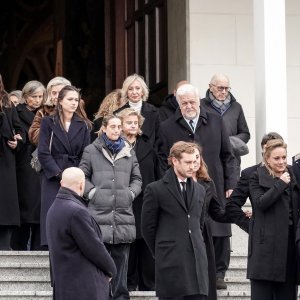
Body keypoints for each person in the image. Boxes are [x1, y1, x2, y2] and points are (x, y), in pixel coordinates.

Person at [157, 83, 236, 289]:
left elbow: (228, 155)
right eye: (184, 103)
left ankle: (218, 273)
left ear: (199, 101)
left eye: (192, 101)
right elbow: (162, 159)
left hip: (213, 183)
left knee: (218, 228)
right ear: (178, 104)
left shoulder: (216, 121)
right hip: (182, 188)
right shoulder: (167, 127)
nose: (189, 106)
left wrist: (231, 183)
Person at [79, 114, 142, 300]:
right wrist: (92, 194)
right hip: (98, 214)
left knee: (121, 262)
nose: (116, 130)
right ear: (104, 128)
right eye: (112, 126)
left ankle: (120, 296)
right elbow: (82, 176)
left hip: (123, 214)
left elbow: (137, 178)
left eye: (118, 127)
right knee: (99, 261)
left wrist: (130, 193)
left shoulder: (129, 151)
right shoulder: (91, 150)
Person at [142, 141, 209, 300]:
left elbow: (199, 223)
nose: (192, 166)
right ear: (174, 161)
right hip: (170, 263)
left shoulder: (200, 190)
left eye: (194, 162)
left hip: (197, 263)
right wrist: (163, 251)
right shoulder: (155, 189)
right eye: (187, 162)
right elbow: (147, 228)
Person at [46, 167, 117, 300]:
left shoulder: (53, 209)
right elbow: (94, 249)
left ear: (61, 184)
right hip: (83, 288)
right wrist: (111, 269)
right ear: (81, 185)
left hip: (66, 287)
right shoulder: (76, 212)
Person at [38, 85, 91, 247]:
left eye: (76, 99)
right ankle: (50, 243)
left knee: (73, 211)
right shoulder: (48, 122)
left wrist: (77, 175)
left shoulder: (83, 125)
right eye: (70, 99)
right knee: (51, 210)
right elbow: (43, 152)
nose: (74, 103)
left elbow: (85, 154)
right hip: (53, 175)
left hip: (75, 174)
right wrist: (58, 174)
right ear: (60, 101)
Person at [248, 139, 300, 300]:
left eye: (284, 157)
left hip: (289, 248)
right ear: (267, 159)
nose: (281, 162)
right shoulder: (256, 176)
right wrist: (280, 184)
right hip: (265, 250)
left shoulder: (293, 174)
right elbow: (260, 204)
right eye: (277, 158)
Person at [117, 108, 157, 291]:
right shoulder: (113, 145)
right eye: (129, 123)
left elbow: (157, 172)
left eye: (135, 123)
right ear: (121, 125)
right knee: (128, 242)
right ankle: (129, 283)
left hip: (146, 200)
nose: (133, 126)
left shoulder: (149, 146)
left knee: (145, 242)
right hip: (124, 201)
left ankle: (148, 284)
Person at [192, 143, 231, 300]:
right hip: (181, 237)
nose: (194, 162)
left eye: (197, 157)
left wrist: (236, 215)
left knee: (205, 280)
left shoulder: (207, 182)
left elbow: (216, 211)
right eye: (190, 159)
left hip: (203, 235)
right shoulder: (172, 182)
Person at [226, 132, 283, 233]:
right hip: (261, 239)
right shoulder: (250, 173)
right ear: (263, 150)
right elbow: (232, 206)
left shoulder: (290, 173)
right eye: (268, 149)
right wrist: (251, 227)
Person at [12, 80, 46, 250]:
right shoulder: (17, 113)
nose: (38, 100)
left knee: (39, 208)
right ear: (25, 96)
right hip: (25, 163)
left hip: (41, 164)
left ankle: (37, 247)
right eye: (34, 96)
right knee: (26, 207)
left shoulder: (45, 114)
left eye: (41, 96)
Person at [201, 73, 250, 180]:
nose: (224, 92)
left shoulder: (236, 107)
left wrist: (228, 142)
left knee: (232, 194)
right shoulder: (201, 106)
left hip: (232, 160)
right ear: (210, 87)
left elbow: (245, 134)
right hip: (208, 160)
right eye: (220, 88)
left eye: (226, 88)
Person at [0, 74, 25, 250]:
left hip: (4, 158)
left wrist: (18, 139)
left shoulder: (7, 101)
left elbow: (19, 128)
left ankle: (3, 244)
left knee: (5, 203)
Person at [115, 74, 161, 158]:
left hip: (148, 159)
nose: (134, 92)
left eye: (137, 88)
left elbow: (159, 138)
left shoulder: (154, 112)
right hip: (125, 157)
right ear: (126, 92)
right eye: (130, 89)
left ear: (142, 91)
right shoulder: (118, 113)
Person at [29, 76, 71, 146]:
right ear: (49, 94)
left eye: (61, 92)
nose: (57, 96)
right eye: (54, 93)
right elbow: (33, 137)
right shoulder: (43, 112)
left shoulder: (75, 110)